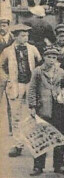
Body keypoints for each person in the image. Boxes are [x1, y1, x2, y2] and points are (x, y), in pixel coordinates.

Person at [28, 46, 64, 176]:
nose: (51, 60)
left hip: (58, 109)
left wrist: (63, 96)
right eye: (49, 57)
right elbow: (32, 89)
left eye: (54, 57)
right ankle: (38, 166)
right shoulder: (38, 71)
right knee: (41, 137)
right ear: (44, 57)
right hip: (43, 109)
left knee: (58, 136)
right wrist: (32, 106)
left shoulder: (61, 72)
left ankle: (59, 165)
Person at [2, 24, 41, 157]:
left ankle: (33, 143)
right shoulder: (7, 51)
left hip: (30, 85)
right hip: (15, 85)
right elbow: (1, 66)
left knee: (32, 114)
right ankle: (18, 144)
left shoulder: (33, 49)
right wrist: (7, 78)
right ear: (16, 36)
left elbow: (40, 62)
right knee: (16, 116)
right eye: (23, 35)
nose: (26, 38)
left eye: (27, 35)